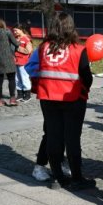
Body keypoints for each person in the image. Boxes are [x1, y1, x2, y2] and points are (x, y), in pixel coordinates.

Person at [36, 12, 94, 190]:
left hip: (47, 97)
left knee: (54, 136)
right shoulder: (78, 49)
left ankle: (57, 177)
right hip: (72, 98)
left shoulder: (43, 47)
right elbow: (87, 77)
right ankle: (76, 178)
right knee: (72, 138)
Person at [26, 47, 71, 182]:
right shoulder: (43, 49)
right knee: (51, 132)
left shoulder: (71, 48)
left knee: (64, 131)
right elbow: (30, 67)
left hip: (67, 95)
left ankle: (60, 160)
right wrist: (46, 74)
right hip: (49, 95)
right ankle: (40, 165)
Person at [0, 19, 20, 106]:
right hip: (8, 59)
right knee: (11, 79)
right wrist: (19, 41)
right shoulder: (7, 32)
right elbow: (16, 43)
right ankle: (12, 99)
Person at [13, 24, 33, 102]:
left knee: (24, 77)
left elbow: (28, 50)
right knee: (17, 78)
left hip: (23, 62)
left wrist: (17, 47)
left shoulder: (26, 39)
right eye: (13, 30)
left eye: (16, 30)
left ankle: (27, 94)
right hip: (15, 61)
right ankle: (20, 94)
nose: (14, 32)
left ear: (21, 30)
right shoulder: (15, 38)